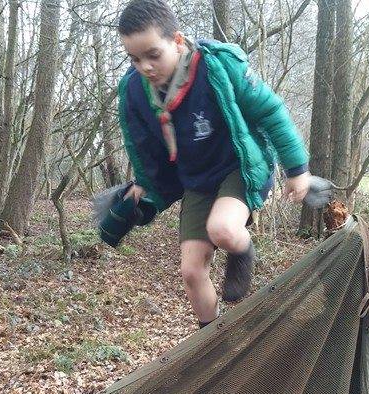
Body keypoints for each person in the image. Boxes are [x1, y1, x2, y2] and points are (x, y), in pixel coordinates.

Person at [115, 0, 315, 328]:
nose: (145, 67)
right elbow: (143, 148)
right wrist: (143, 185)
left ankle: (243, 250)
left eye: (153, 55)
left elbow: (270, 111)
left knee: (222, 229)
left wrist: (297, 169)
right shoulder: (135, 91)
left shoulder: (216, 66)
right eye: (134, 59)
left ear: (177, 41)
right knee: (191, 271)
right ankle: (215, 337)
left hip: (240, 168)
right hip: (197, 181)